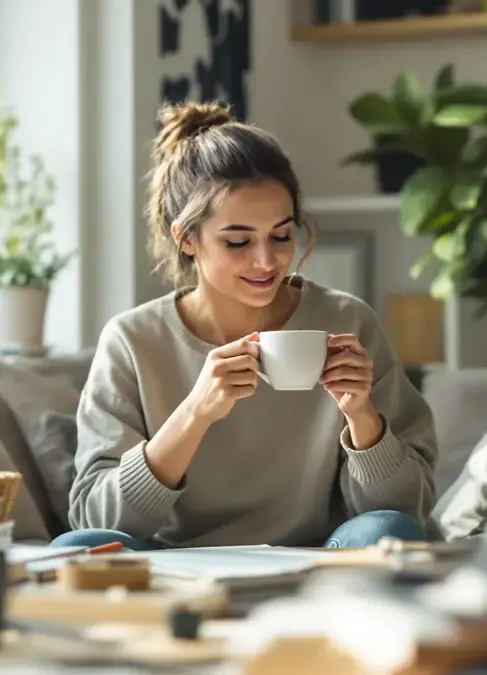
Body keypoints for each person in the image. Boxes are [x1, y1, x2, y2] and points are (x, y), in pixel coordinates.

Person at [53, 101, 441, 551]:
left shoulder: (346, 321)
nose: (266, 261)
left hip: (319, 562)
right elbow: (95, 516)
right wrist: (195, 413)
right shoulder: (133, 340)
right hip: (179, 568)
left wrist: (362, 418)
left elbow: (407, 511)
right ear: (187, 238)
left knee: (388, 533)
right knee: (76, 550)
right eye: (238, 241)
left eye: (281, 235)